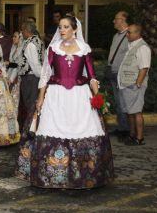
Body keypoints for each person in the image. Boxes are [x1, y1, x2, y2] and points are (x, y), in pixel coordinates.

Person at [15, 16, 114, 188]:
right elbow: (45, 75)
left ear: (74, 29)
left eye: (66, 27)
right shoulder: (53, 48)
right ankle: (52, 176)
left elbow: (91, 76)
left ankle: (84, 175)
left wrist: (99, 98)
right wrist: (40, 98)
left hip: (79, 95)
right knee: (51, 128)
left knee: (83, 128)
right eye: (60, 27)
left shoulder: (84, 49)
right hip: (56, 94)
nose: (62, 30)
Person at [118, 24, 151, 146]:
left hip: (134, 86)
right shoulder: (132, 46)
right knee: (130, 112)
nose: (127, 35)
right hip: (127, 85)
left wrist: (138, 84)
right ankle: (132, 135)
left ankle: (139, 138)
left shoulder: (142, 48)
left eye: (129, 33)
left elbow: (144, 68)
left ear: (137, 34)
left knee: (136, 112)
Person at [106, 11, 131, 139]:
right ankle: (122, 127)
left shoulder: (129, 36)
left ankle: (126, 130)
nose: (113, 21)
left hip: (122, 74)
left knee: (123, 102)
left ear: (123, 20)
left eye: (116, 19)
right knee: (118, 101)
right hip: (113, 72)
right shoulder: (116, 36)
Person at [17, 21, 44, 133]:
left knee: (30, 105)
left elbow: (35, 64)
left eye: (22, 31)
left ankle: (31, 130)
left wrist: (41, 78)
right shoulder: (39, 41)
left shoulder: (30, 44)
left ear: (26, 31)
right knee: (31, 104)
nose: (21, 33)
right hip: (34, 77)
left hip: (31, 78)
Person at [7, 31, 22, 116]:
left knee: (15, 98)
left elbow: (18, 65)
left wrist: (11, 79)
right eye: (13, 36)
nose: (13, 38)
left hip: (17, 76)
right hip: (11, 74)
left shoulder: (21, 49)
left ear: (20, 38)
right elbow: (12, 63)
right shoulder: (13, 47)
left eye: (15, 37)